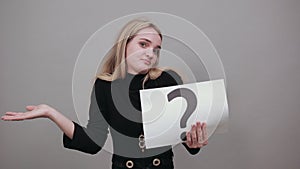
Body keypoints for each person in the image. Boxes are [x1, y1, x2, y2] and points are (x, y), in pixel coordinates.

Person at [1, 18, 208, 169]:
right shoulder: (104, 86)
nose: (150, 54)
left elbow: (188, 141)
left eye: (156, 49)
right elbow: (93, 143)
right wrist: (51, 113)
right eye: (143, 44)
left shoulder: (168, 80)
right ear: (124, 45)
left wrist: (193, 140)